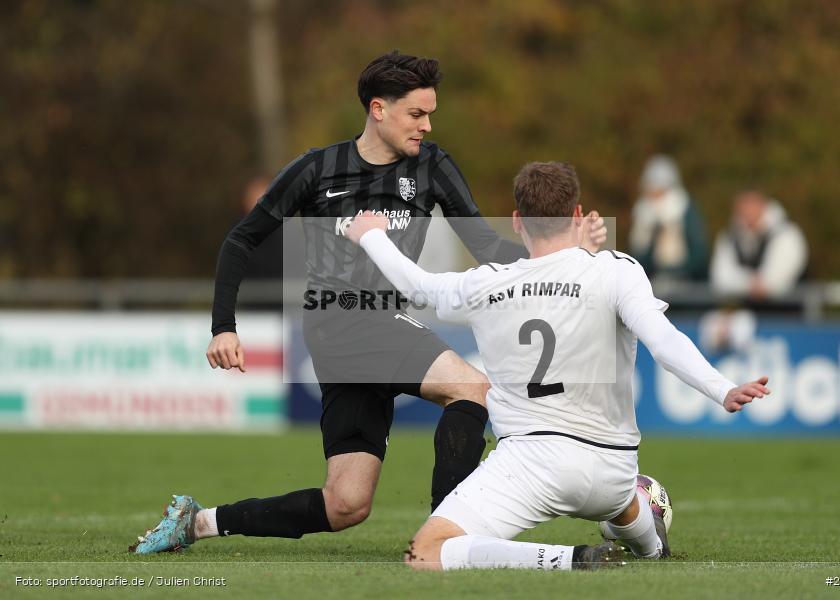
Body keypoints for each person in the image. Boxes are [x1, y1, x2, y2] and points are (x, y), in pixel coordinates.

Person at [130, 52, 606, 553]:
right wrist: (223, 325)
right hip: (339, 323)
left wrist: (565, 253)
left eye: (430, 114)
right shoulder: (317, 169)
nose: (427, 125)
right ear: (378, 109)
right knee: (472, 389)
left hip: (384, 325)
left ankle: (198, 522)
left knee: (346, 504)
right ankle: (447, 539)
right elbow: (240, 240)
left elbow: (487, 248)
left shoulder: (433, 166)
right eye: (416, 114)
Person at [344, 161, 770, 570]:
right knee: (621, 503)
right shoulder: (617, 270)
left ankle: (567, 559)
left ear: (516, 220)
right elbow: (663, 342)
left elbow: (418, 287)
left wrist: (372, 235)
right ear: (578, 213)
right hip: (612, 471)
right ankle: (650, 545)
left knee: (426, 552)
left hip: (528, 465)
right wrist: (722, 389)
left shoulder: (486, 282)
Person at [710, 189, 808, 301]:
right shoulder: (729, 236)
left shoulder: (787, 233)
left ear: (763, 205)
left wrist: (758, 284)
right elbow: (721, 278)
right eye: (743, 209)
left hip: (791, 313)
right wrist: (750, 284)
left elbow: (778, 280)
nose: (748, 213)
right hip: (747, 312)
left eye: (751, 206)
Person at [628, 155, 708, 283]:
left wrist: (673, 271)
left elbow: (699, 255)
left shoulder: (684, 209)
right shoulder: (643, 214)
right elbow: (637, 256)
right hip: (652, 284)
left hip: (685, 284)